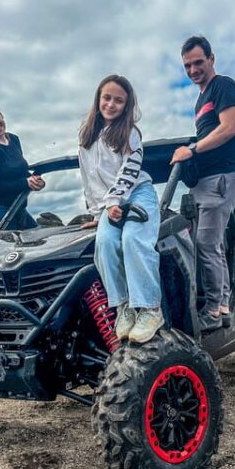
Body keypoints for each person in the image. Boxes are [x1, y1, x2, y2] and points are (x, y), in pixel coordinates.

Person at [78, 75, 163, 344]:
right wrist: (97, 212)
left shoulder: (130, 133)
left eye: (119, 100)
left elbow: (130, 170)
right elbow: (89, 177)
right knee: (103, 243)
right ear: (98, 98)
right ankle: (123, 305)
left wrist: (114, 200)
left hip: (138, 193)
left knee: (133, 239)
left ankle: (150, 309)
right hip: (108, 202)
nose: (111, 104)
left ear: (126, 106)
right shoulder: (86, 136)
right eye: (107, 98)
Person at [170, 35, 235, 331]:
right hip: (204, 181)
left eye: (198, 62)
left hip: (220, 178)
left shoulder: (223, 86)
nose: (193, 69)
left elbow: (228, 129)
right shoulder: (201, 98)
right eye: (187, 65)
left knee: (206, 244)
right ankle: (221, 305)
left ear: (212, 59)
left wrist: (194, 149)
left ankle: (214, 311)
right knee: (210, 245)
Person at [0, 103, 45, 229]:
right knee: (14, 248)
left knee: (39, 237)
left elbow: (20, 173)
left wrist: (36, 181)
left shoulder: (14, 139)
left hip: (19, 206)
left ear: (1, 115)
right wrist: (25, 183)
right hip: (0, 212)